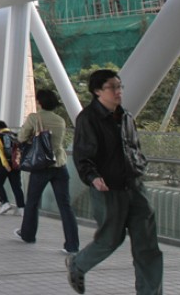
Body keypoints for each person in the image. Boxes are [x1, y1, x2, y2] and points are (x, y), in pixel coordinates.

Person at [66, 70, 162, 295]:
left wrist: (139, 166)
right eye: (112, 87)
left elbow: (134, 148)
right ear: (97, 91)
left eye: (120, 86)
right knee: (110, 239)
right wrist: (93, 177)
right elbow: (82, 155)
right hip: (108, 189)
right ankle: (78, 264)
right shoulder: (88, 118)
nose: (118, 91)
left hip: (135, 186)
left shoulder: (126, 116)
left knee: (148, 247)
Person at [14, 89, 79, 256]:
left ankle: (28, 235)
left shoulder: (34, 118)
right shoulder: (60, 120)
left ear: (39, 102)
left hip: (41, 166)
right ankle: (72, 245)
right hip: (60, 165)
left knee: (33, 202)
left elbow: (21, 137)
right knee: (65, 205)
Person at [0, 119, 25, 214]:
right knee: (16, 186)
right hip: (16, 163)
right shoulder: (15, 135)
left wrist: (6, 165)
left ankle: (5, 203)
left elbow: (1, 153)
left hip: (4, 165)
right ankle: (21, 208)